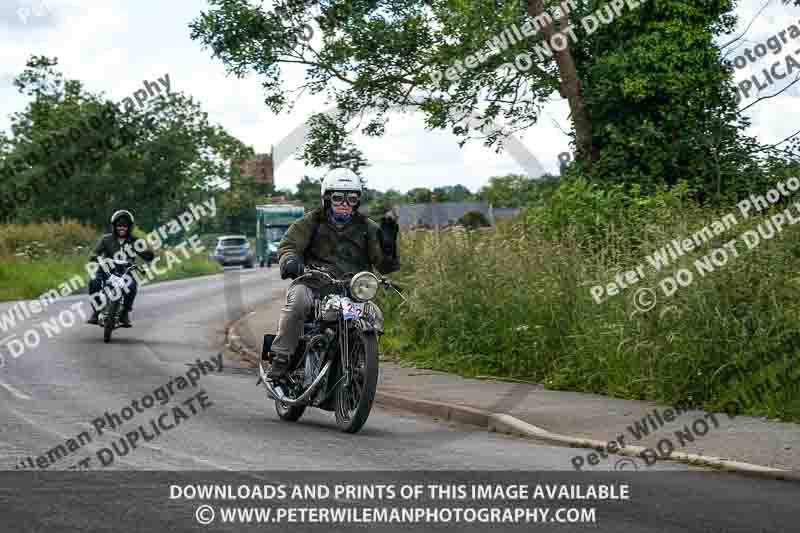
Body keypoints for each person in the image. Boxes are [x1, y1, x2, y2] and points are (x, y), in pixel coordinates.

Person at [267, 168, 400, 380]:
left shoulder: (367, 227)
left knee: (375, 314)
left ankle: (360, 360)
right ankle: (281, 357)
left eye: (352, 198)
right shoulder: (311, 222)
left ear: (357, 201)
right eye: (338, 197)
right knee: (299, 301)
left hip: (352, 290)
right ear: (327, 199)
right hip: (313, 283)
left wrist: (388, 248)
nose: (345, 203)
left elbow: (385, 267)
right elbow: (288, 245)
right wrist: (290, 260)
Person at [86, 210, 155, 327]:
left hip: (126, 272)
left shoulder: (135, 241)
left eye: (125, 226)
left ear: (129, 227)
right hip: (106, 270)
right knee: (94, 282)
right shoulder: (106, 239)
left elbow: (146, 255)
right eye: (119, 225)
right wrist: (96, 258)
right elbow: (94, 254)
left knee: (132, 286)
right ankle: (96, 311)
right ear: (114, 226)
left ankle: (124, 313)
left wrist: (148, 254)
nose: (122, 228)